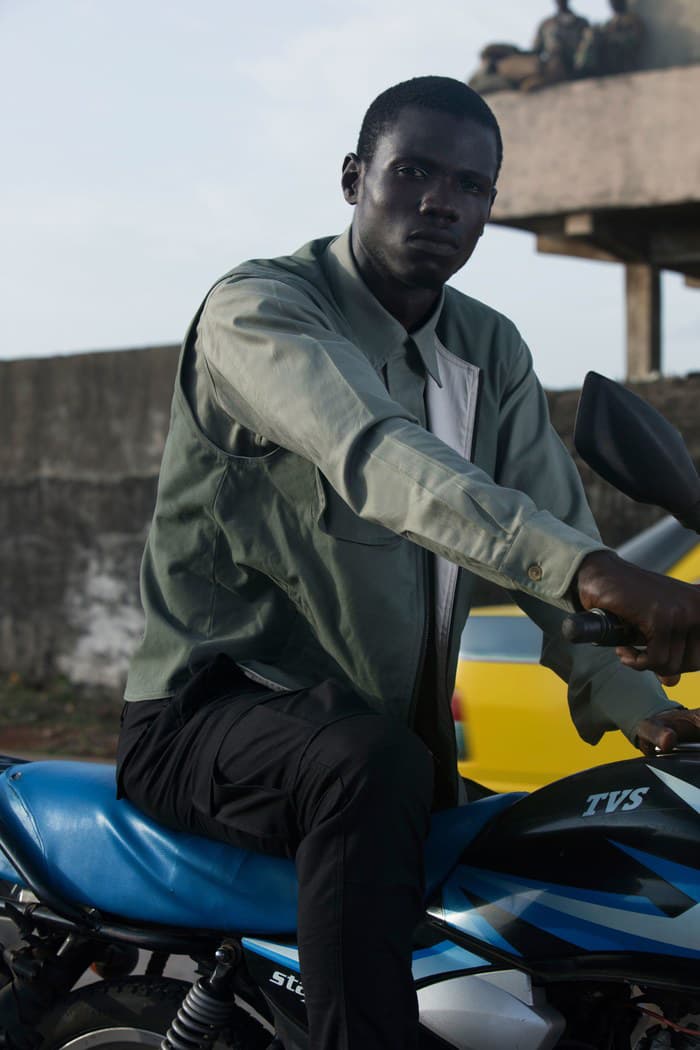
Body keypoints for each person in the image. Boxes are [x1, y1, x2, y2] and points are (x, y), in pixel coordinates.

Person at [117, 76, 700, 1050]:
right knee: (371, 765)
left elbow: (547, 541)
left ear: (489, 209)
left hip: (390, 752)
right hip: (205, 718)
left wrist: (651, 719)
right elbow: (375, 455)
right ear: (355, 179)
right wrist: (592, 571)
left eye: (471, 186)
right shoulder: (259, 312)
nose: (441, 201)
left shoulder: (489, 351)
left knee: (576, 853)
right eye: (413, 172)